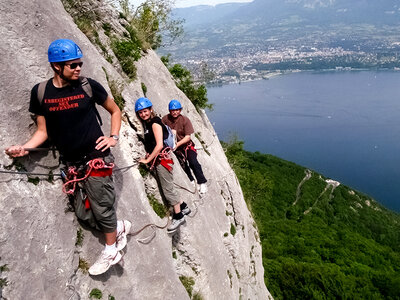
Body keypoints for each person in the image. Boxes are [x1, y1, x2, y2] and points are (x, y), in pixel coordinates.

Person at [5, 39, 131, 276]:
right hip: (72, 163)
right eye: (72, 65)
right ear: (56, 66)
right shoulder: (41, 92)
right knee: (84, 214)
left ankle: (111, 249)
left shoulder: (88, 86)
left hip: (96, 157)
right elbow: (42, 131)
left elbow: (115, 110)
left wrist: (113, 137)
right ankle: (119, 227)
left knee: (102, 207)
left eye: (79, 63)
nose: (78, 68)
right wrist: (25, 148)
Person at [135, 97, 191, 233]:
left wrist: (147, 160)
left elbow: (159, 145)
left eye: (145, 111)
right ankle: (183, 206)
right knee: (169, 186)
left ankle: (178, 216)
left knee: (167, 189)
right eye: (141, 112)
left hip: (162, 161)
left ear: (151, 109)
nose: (143, 114)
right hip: (160, 159)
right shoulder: (149, 124)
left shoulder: (154, 123)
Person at [162, 99, 208, 195]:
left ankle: (202, 182)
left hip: (186, 146)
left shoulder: (185, 120)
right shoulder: (165, 119)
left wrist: (177, 144)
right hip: (175, 147)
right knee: (182, 164)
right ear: (169, 111)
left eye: (177, 110)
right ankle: (190, 179)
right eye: (173, 110)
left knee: (193, 162)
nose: (175, 112)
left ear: (180, 110)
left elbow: (188, 137)